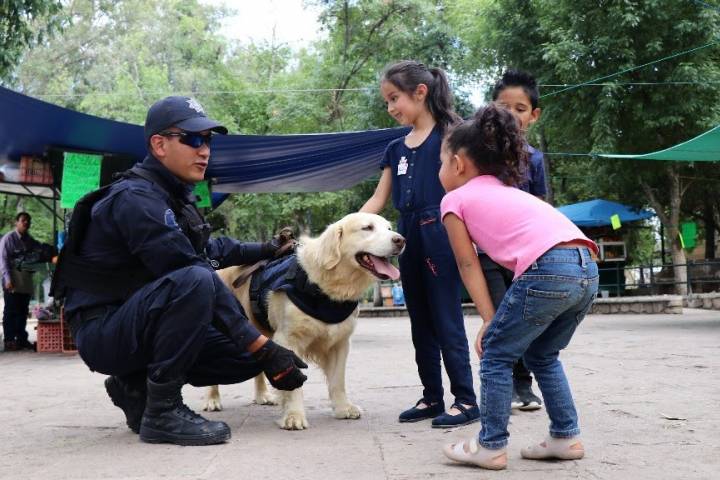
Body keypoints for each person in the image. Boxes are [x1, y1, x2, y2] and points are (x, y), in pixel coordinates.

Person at [52, 96, 307, 446]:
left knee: (241, 357)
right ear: (159, 144)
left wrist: (266, 249)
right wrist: (262, 346)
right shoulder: (135, 198)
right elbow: (190, 269)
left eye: (208, 140)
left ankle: (134, 387)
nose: (204, 150)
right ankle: (163, 411)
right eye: (192, 139)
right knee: (200, 284)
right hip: (104, 330)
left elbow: (211, 250)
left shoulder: (173, 197)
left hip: (136, 322)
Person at [438, 104, 598, 470]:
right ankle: (565, 436)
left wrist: (488, 319)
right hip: (587, 265)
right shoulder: (511, 191)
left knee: (495, 354)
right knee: (541, 355)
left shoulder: (454, 199)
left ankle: (490, 445)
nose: (440, 171)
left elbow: (468, 264)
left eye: (442, 162)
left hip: (549, 267)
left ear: (459, 164)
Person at [360, 61, 479, 428]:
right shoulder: (395, 149)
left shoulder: (452, 135)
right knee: (420, 322)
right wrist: (346, 229)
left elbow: (469, 186)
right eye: (387, 101)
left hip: (442, 230)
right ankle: (431, 397)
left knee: (447, 318)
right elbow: (378, 199)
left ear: (421, 92)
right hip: (405, 237)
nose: (391, 107)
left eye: (394, 98)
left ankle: (465, 399)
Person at [483, 69, 548, 411]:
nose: (511, 115)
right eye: (503, 107)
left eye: (520, 109)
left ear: (533, 115)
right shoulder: (481, 156)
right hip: (488, 255)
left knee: (523, 320)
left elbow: (541, 208)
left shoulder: (535, 159)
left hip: (524, 258)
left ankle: (524, 386)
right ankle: (500, 386)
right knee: (497, 319)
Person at [0, 212, 52, 351]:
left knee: (23, 310)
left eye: (28, 221)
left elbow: (39, 250)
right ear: (16, 223)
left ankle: (21, 339)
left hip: (25, 279)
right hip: (11, 279)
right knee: (11, 310)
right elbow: (3, 261)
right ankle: (9, 340)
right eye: (23, 220)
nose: (25, 223)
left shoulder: (29, 240)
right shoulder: (8, 239)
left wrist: (49, 252)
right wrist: (7, 279)